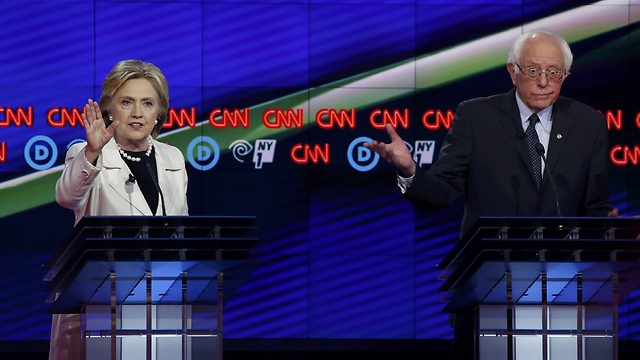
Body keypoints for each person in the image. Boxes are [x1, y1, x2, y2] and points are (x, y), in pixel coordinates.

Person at [364, 27, 618, 358]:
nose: (543, 81)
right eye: (533, 70)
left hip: (561, 294)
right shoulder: (476, 117)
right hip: (487, 292)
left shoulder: (588, 124)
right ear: (512, 71)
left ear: (565, 76)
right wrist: (410, 170)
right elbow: (440, 192)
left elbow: (594, 206)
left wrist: (609, 227)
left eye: (553, 72)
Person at [50, 59, 189, 360]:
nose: (137, 113)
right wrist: (91, 152)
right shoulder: (88, 153)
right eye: (127, 102)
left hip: (162, 302)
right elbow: (66, 197)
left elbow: (183, 232)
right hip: (99, 305)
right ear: (110, 108)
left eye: (147, 103)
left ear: (159, 112)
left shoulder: (172, 158)